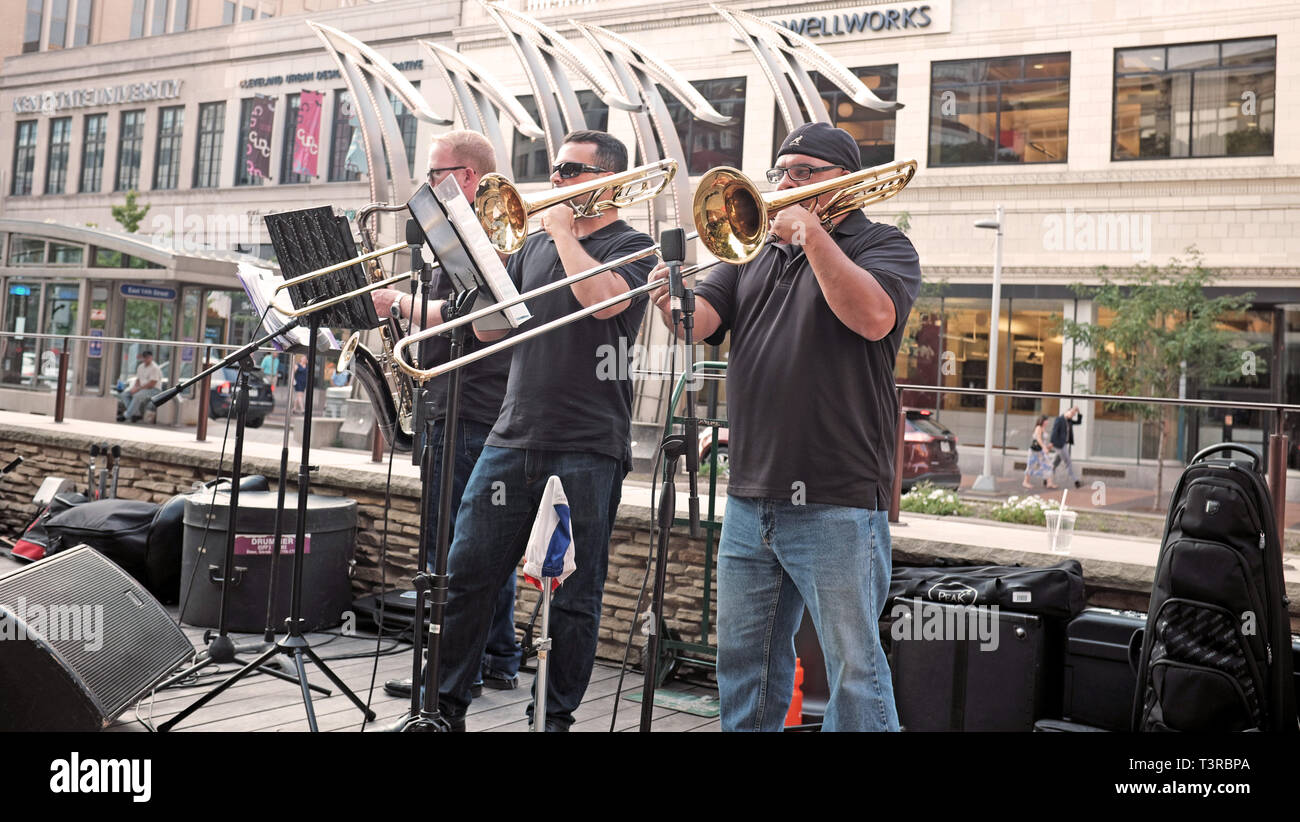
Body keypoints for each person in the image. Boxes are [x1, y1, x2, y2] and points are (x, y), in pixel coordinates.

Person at [649, 122, 920, 732]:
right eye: (780, 172)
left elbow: (873, 318)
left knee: (856, 667)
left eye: (803, 172)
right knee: (744, 662)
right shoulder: (753, 251)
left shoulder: (883, 245)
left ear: (843, 183)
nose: (784, 184)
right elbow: (697, 323)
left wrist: (814, 235)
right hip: (751, 494)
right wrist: (665, 296)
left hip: (837, 494)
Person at [429, 129, 656, 731]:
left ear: (607, 180)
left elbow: (602, 305)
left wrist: (560, 231)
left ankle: (554, 720)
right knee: (468, 576)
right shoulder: (530, 246)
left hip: (588, 442)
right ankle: (444, 709)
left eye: (570, 171)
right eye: (554, 170)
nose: (554, 180)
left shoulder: (637, 246)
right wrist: (482, 267)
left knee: (575, 599)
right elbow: (488, 333)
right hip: (513, 432)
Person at [372, 129, 522, 700]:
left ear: (466, 177)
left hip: (472, 409)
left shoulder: (491, 235)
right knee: (479, 546)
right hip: (454, 404)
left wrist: (399, 305)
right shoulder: (452, 236)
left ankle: (451, 670)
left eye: (435, 173)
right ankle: (494, 657)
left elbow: (474, 312)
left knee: (456, 548)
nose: (426, 184)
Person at [116, 349, 163, 423]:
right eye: (145, 357)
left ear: (151, 357)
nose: (147, 359)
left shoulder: (155, 368)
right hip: (142, 388)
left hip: (154, 390)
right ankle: (136, 414)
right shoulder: (140, 367)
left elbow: (152, 384)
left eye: (149, 357)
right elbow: (138, 379)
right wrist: (134, 388)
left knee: (137, 395)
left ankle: (126, 416)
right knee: (124, 394)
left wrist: (137, 389)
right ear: (143, 358)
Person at [1050, 406, 1083, 489]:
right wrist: (1052, 443)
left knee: (1055, 463)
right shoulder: (1059, 419)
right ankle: (1076, 481)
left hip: (1064, 444)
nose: (1072, 415)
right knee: (1068, 462)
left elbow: (1079, 422)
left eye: (1073, 414)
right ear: (1067, 411)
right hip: (1060, 445)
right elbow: (1054, 432)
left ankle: (1047, 478)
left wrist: (1078, 412)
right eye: (1072, 413)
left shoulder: (1069, 420)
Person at [1023, 414, 1057, 489]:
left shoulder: (1043, 428)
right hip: (1034, 451)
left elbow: (1042, 441)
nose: (1047, 422)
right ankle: (1025, 482)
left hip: (1041, 451)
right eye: (1046, 420)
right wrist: (1044, 447)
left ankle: (1049, 483)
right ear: (1043, 421)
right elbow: (1038, 439)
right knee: (1031, 465)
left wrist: (1048, 446)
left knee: (1048, 465)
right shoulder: (1038, 428)